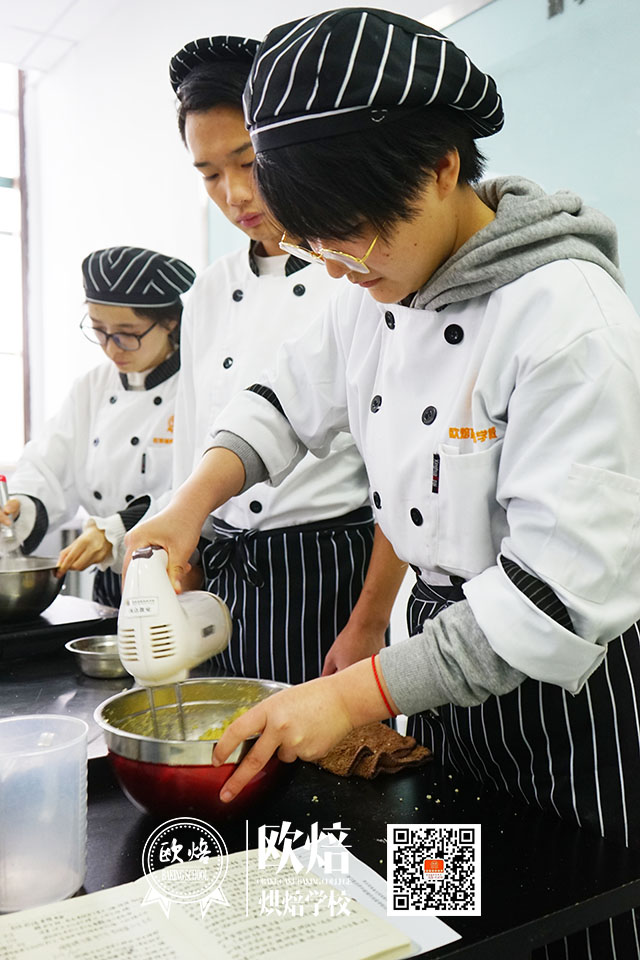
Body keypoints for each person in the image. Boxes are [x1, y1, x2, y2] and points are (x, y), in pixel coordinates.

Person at [126, 11, 640, 957]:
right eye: (321, 246)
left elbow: (557, 602)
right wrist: (189, 503)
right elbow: (284, 400)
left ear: (443, 168)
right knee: (450, 917)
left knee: (570, 918)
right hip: (437, 681)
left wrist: (354, 693)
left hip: (561, 704)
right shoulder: (376, 287)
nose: (344, 270)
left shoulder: (567, 320)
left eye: (356, 237)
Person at [165, 36, 407, 683]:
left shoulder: (362, 271)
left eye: (248, 162)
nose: (235, 194)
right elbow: (203, 429)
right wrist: (184, 537)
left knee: (316, 768)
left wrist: (371, 617)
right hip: (220, 568)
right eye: (210, 174)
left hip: (327, 571)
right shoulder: (211, 289)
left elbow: (400, 472)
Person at [1, 245, 195, 607]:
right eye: (99, 331)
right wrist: (22, 507)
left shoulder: (196, 386)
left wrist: (117, 529)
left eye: (126, 332)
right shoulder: (91, 387)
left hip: (178, 579)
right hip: (109, 586)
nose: (111, 348)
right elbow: (47, 464)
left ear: (170, 322)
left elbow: (197, 490)